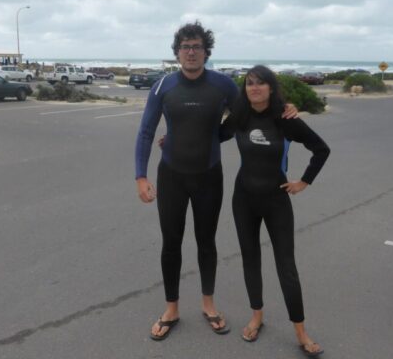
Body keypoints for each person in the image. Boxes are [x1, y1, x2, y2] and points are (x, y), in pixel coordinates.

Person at [134, 22, 297, 341]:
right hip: (172, 176)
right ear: (177, 52)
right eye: (185, 46)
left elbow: (251, 113)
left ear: (206, 51)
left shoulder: (222, 85)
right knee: (171, 243)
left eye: (197, 46)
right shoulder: (163, 86)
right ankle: (171, 309)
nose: (191, 52)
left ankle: (208, 304)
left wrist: (286, 108)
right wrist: (141, 175)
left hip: (209, 176)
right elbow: (146, 131)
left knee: (206, 242)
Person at [220, 65, 330, 357]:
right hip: (243, 198)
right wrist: (176, 138)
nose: (254, 88)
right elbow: (213, 135)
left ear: (270, 88)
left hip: (276, 200)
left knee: (286, 266)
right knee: (250, 259)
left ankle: (301, 331)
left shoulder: (285, 118)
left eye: (260, 83)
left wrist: (304, 182)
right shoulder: (240, 116)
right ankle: (256, 316)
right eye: (249, 83)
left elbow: (321, 149)